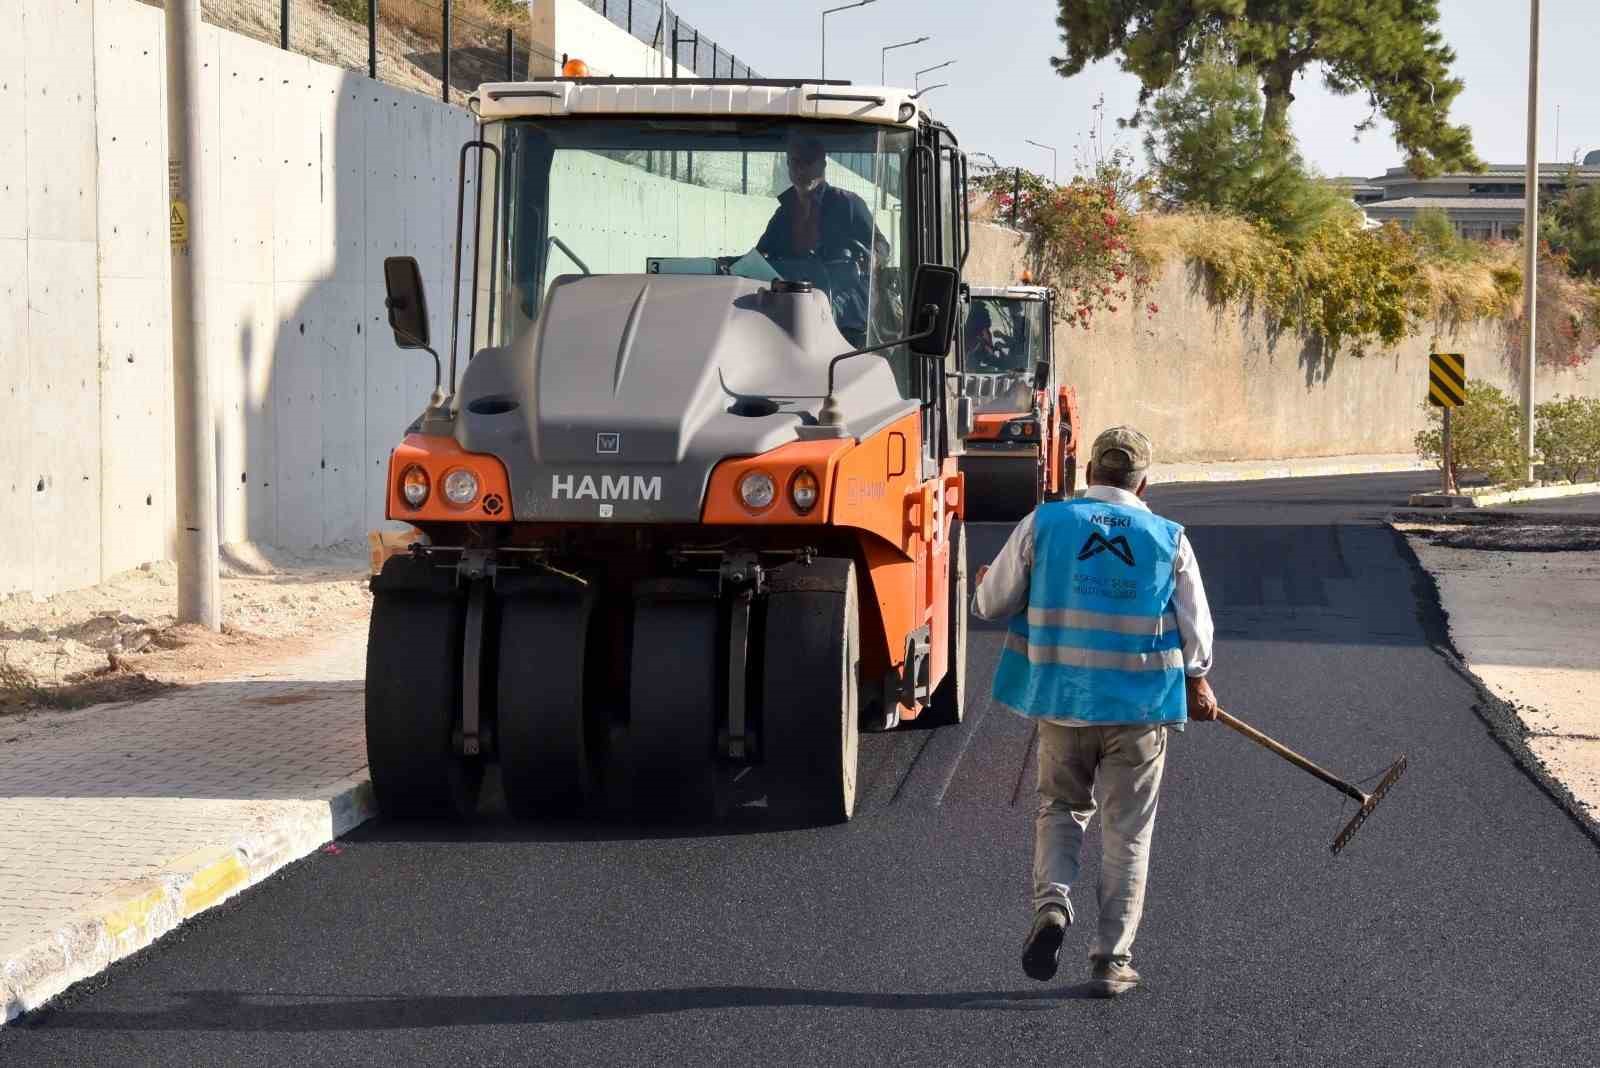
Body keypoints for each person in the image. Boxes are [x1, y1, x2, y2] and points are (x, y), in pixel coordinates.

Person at [971, 425, 1219, 999]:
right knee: (1127, 834)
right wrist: (1199, 681)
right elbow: (1195, 632)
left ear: (1087, 474)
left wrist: (987, 584)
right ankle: (1111, 961)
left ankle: (1053, 906)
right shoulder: (1168, 537)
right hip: (1140, 713)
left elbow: (992, 604)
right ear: (1144, 482)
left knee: (1060, 808)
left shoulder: (1046, 523)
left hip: (1063, 705)